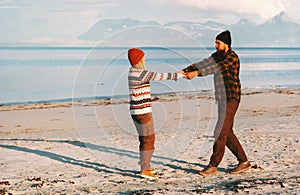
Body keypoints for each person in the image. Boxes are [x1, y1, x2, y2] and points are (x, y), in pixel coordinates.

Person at [182, 30, 251, 176]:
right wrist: (186, 70)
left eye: (218, 43)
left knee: (220, 131)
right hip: (221, 98)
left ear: (226, 44)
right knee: (227, 132)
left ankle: (213, 165)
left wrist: (197, 74)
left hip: (231, 98)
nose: (215, 45)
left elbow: (216, 68)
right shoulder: (216, 56)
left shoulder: (232, 58)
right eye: (215, 42)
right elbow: (204, 64)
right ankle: (244, 162)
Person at [128, 48, 184, 180]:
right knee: (149, 139)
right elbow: (160, 76)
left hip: (136, 111)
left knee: (144, 139)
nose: (144, 59)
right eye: (143, 57)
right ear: (138, 60)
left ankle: (145, 166)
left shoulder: (132, 72)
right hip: (143, 112)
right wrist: (179, 75)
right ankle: (145, 169)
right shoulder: (140, 73)